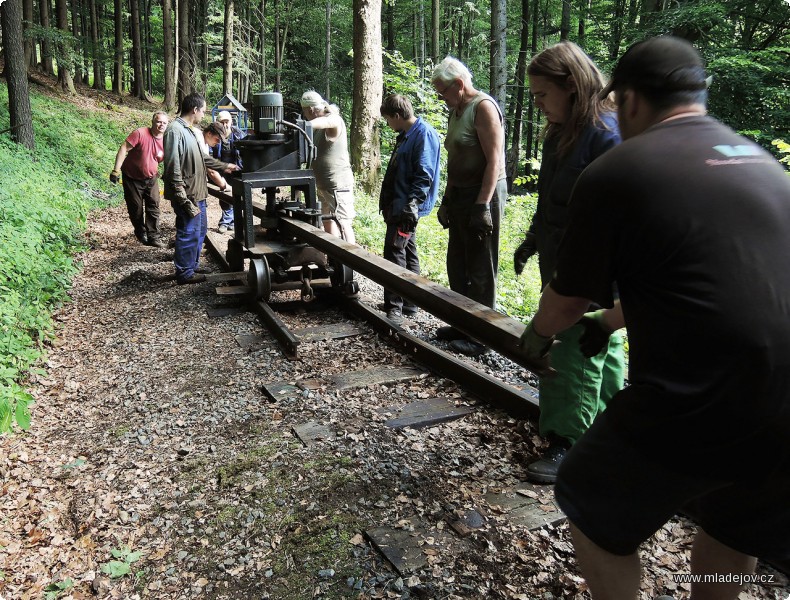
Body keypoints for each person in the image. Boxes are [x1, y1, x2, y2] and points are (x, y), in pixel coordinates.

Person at [518, 36, 790, 599]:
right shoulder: (761, 163)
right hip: (785, 399)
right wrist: (612, 322)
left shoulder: (621, 169)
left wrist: (538, 335)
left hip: (702, 393)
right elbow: (725, 285)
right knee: (730, 522)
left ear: (632, 101)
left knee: (587, 501)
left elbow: (566, 301)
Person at [513, 42, 625, 484]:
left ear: (571, 86)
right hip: (565, 259)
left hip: (593, 270)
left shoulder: (607, 134)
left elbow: (618, 216)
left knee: (573, 348)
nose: (538, 104)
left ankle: (569, 446)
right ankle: (609, 434)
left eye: (543, 95)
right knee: (601, 348)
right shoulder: (563, 133)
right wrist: (532, 239)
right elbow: (552, 201)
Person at [430, 56, 507, 357]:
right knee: (457, 262)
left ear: (459, 85)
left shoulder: (483, 108)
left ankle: (481, 336)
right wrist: (447, 200)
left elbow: (495, 160)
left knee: (481, 265)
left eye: (442, 92)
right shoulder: (457, 109)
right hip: (461, 193)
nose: (440, 98)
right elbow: (455, 160)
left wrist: (482, 206)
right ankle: (462, 322)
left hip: (483, 194)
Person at [378, 94, 441, 324]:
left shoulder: (423, 134)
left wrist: (412, 205)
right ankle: (410, 304)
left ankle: (394, 307)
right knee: (408, 250)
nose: (387, 124)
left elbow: (424, 174)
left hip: (405, 207)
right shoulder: (406, 134)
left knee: (394, 251)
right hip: (399, 203)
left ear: (397, 115)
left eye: (388, 119)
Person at [163, 93, 238, 285]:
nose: (203, 115)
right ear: (194, 110)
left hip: (198, 193)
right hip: (188, 194)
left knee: (199, 231)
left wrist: (224, 166)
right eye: (203, 111)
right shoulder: (174, 130)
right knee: (188, 232)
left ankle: (192, 265)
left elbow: (202, 159)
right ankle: (184, 273)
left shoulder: (189, 130)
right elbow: (173, 167)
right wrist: (182, 197)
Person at [300, 90, 356, 244]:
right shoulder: (317, 128)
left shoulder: (333, 119)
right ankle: (335, 259)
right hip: (322, 186)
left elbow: (328, 122)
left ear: (310, 110)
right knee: (327, 221)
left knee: (343, 223)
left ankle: (352, 262)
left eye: (305, 113)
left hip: (337, 184)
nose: (305, 116)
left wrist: (303, 125)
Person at [110, 111, 169, 247]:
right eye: (159, 121)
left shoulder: (166, 140)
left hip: (151, 178)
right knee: (135, 208)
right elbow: (124, 148)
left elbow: (166, 159)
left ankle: (154, 237)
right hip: (132, 177)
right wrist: (115, 170)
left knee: (153, 205)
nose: (161, 125)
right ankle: (140, 231)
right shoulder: (140, 133)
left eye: (164, 123)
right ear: (153, 122)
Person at [211, 110, 246, 233]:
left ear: (231, 122)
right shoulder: (214, 136)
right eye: (222, 122)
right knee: (225, 196)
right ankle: (228, 221)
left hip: (237, 170)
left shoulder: (238, 134)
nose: (225, 125)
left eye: (227, 122)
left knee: (238, 195)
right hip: (222, 171)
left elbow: (246, 151)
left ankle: (230, 221)